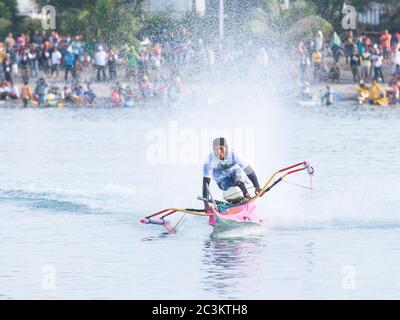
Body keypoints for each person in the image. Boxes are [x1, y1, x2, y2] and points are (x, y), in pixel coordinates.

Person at [202, 138, 262, 210]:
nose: (219, 152)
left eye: (221, 148)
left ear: (226, 148)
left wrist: (257, 186)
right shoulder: (209, 161)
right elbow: (206, 183)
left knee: (238, 178)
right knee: (231, 190)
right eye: (216, 149)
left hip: (235, 172)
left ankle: (246, 194)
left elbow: (248, 170)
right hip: (221, 178)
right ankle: (235, 202)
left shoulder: (234, 154)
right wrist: (206, 204)